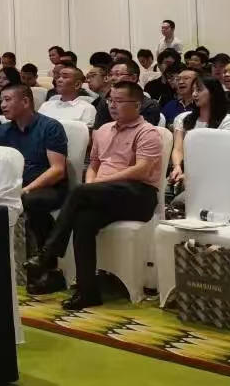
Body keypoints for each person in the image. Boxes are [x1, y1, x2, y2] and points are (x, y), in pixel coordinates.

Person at [26, 81, 163, 309]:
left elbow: (142, 170)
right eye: (110, 100)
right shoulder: (103, 130)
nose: (113, 105)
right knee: (83, 220)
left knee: (80, 192)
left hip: (138, 195)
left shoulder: (147, 132)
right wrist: (92, 184)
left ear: (137, 105)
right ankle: (87, 291)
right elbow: (94, 165)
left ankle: (48, 253)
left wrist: (96, 185)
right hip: (104, 193)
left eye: (119, 101)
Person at [0, 85, 69, 292]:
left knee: (31, 201)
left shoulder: (50, 127)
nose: (2, 105)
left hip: (50, 188)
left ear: (26, 102)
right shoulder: (2, 131)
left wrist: (25, 190)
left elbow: (57, 170)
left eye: (8, 99)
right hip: (17, 187)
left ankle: (47, 266)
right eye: (1, 100)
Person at [167, 75, 230, 190]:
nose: (194, 94)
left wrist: (194, 176)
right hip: (185, 171)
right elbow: (178, 149)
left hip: (215, 178)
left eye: (199, 90)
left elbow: (224, 158)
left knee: (181, 199)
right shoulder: (183, 119)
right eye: (193, 90)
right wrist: (177, 167)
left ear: (213, 93)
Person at [93, 61, 162, 128]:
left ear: (134, 78)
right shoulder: (105, 102)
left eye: (117, 74)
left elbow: (143, 132)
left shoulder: (149, 105)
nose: (112, 78)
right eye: (110, 75)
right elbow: (97, 130)